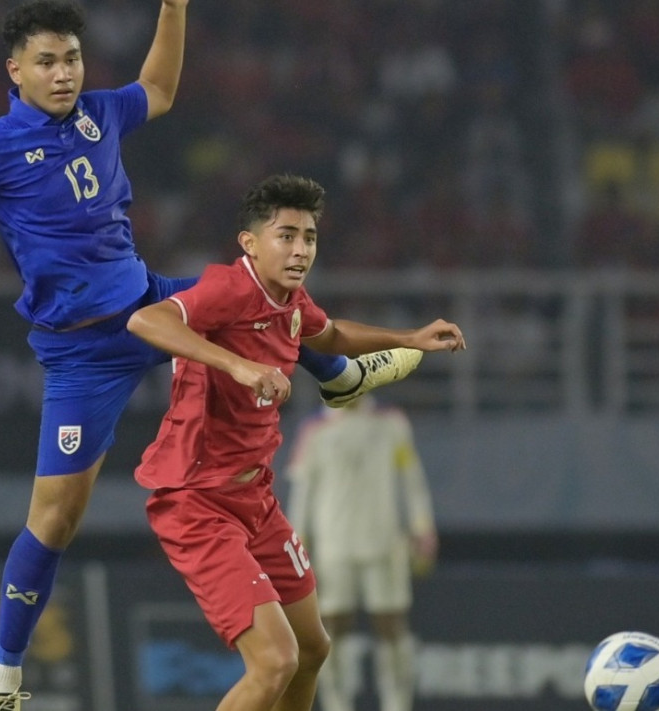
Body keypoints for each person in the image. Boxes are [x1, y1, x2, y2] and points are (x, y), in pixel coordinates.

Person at [0, 3, 420, 708]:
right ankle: (3, 678)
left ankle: (335, 375)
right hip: (82, 352)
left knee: (259, 284)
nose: (64, 74)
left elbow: (160, 88)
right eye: (48, 63)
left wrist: (173, 9)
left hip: (146, 303)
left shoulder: (98, 114)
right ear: (15, 71)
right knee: (56, 516)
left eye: (73, 59)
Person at [126, 173, 465, 711]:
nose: (300, 248)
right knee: (275, 660)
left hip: (256, 501)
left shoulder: (289, 300)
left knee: (312, 647)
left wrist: (407, 338)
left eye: (309, 237)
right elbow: (146, 320)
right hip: (198, 504)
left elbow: (327, 334)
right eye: (286, 235)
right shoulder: (229, 289)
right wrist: (238, 366)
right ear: (250, 243)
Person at [287, 395, 437, 711]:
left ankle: (398, 704)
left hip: (384, 543)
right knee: (331, 629)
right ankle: (337, 704)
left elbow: (412, 480)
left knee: (391, 624)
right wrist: (299, 542)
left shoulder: (391, 423)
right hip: (334, 547)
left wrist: (422, 525)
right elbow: (303, 493)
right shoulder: (315, 429)